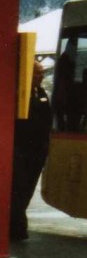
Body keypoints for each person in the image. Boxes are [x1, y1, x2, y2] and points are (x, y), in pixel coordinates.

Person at [10, 60, 52, 242]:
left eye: (41, 73)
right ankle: (17, 227)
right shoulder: (18, 94)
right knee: (18, 188)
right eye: (36, 73)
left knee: (27, 188)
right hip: (20, 149)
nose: (41, 76)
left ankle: (16, 224)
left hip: (37, 152)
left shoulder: (41, 93)